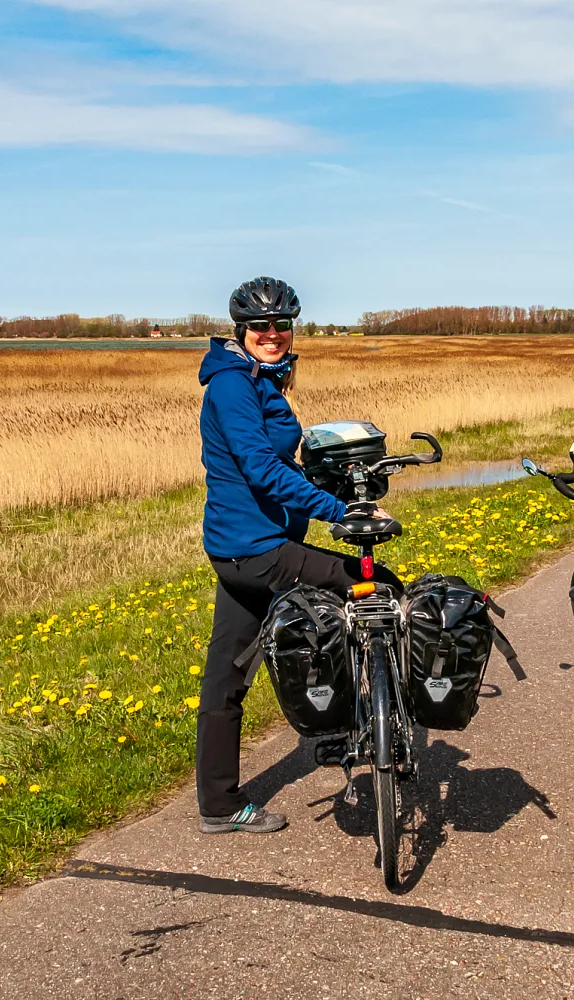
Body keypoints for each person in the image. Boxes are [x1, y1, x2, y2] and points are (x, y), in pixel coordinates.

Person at [196, 276, 401, 833]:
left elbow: (283, 463)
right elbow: (259, 469)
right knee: (379, 586)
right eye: (261, 325)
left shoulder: (256, 377)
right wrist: (340, 514)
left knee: (226, 678)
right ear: (241, 329)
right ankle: (376, 720)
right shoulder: (234, 386)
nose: (272, 333)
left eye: (282, 324)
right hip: (258, 550)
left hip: (239, 548)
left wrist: (336, 483)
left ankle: (218, 806)